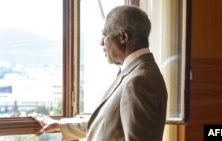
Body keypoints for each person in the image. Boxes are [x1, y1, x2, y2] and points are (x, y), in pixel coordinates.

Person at [31, 5, 168, 141]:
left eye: (105, 35)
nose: (101, 42)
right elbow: (109, 122)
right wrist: (60, 125)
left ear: (123, 37)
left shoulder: (139, 81)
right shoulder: (135, 72)